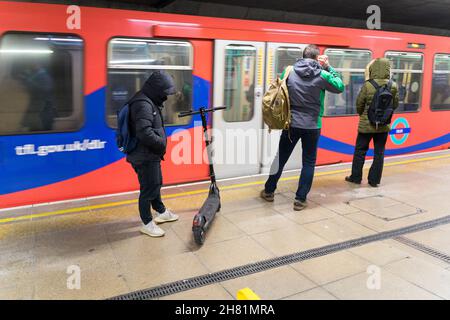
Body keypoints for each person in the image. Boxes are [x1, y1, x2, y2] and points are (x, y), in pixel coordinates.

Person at [260, 44, 345, 210]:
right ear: (316, 58)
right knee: (308, 162)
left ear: (302, 55)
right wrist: (328, 66)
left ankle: (269, 191)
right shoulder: (323, 74)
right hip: (313, 126)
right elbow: (340, 86)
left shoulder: (289, 71)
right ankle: (300, 200)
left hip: (291, 124)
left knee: (281, 158)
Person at [127, 71, 179, 237]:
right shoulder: (143, 104)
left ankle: (161, 211)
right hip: (144, 155)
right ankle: (147, 223)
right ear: (157, 89)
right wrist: (161, 143)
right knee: (149, 188)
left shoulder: (149, 100)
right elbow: (144, 132)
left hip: (149, 154)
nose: (166, 96)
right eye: (164, 92)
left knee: (155, 183)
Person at [345, 58, 399, 187]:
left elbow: (359, 103)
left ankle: (356, 177)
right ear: (387, 69)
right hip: (384, 125)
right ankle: (374, 180)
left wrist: (362, 114)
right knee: (379, 153)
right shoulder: (393, 85)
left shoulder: (368, 85)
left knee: (360, 151)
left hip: (366, 125)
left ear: (373, 69)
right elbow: (395, 104)